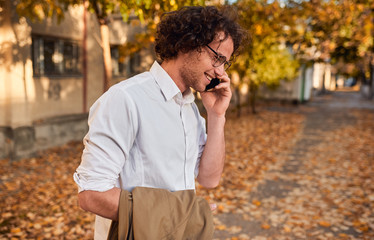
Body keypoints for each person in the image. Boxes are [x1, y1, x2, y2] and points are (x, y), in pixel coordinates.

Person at [74, 5, 244, 239]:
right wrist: (183, 215)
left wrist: (216, 116)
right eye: (217, 58)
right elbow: (91, 195)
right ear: (187, 43)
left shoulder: (190, 109)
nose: (221, 71)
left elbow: (209, 178)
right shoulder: (126, 99)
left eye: (226, 63)